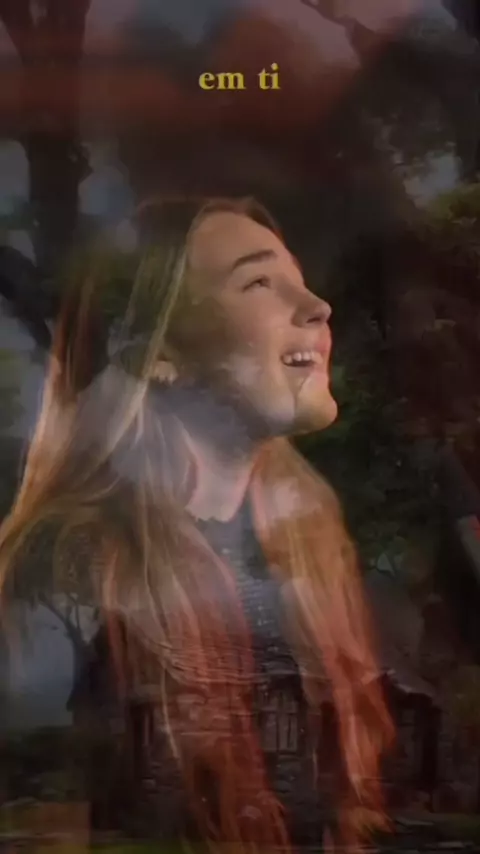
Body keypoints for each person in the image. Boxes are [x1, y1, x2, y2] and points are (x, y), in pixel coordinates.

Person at [0, 197, 393, 852]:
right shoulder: (67, 567)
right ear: (161, 350)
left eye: (298, 277)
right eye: (258, 282)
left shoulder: (310, 539)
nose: (317, 306)